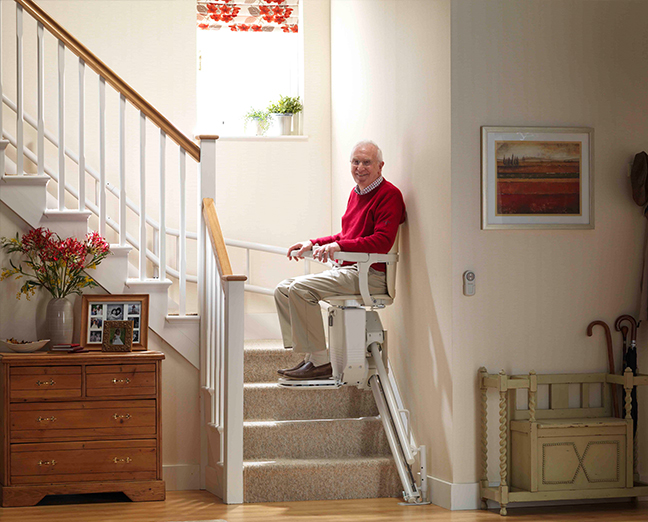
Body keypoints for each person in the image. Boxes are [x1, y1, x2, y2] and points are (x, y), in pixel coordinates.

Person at [274, 140, 406, 380]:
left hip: (371, 275)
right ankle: (312, 356)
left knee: (300, 289)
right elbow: (346, 236)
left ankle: (321, 363)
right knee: (283, 289)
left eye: (367, 162)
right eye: (355, 162)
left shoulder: (389, 195)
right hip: (350, 269)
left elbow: (382, 241)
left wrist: (339, 245)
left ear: (380, 166)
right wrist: (313, 243)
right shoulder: (357, 193)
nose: (360, 167)